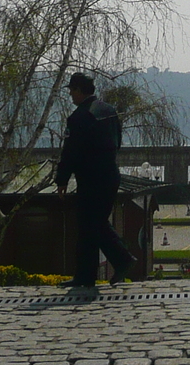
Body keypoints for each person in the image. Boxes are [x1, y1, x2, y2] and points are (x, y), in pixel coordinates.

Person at [55, 73, 135, 289]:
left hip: (90, 178)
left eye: (72, 90)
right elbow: (117, 141)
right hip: (110, 174)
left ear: (80, 90)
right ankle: (85, 276)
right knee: (91, 226)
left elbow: (70, 152)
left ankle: (122, 259)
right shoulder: (108, 111)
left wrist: (61, 179)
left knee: (91, 224)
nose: (70, 94)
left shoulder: (79, 117)